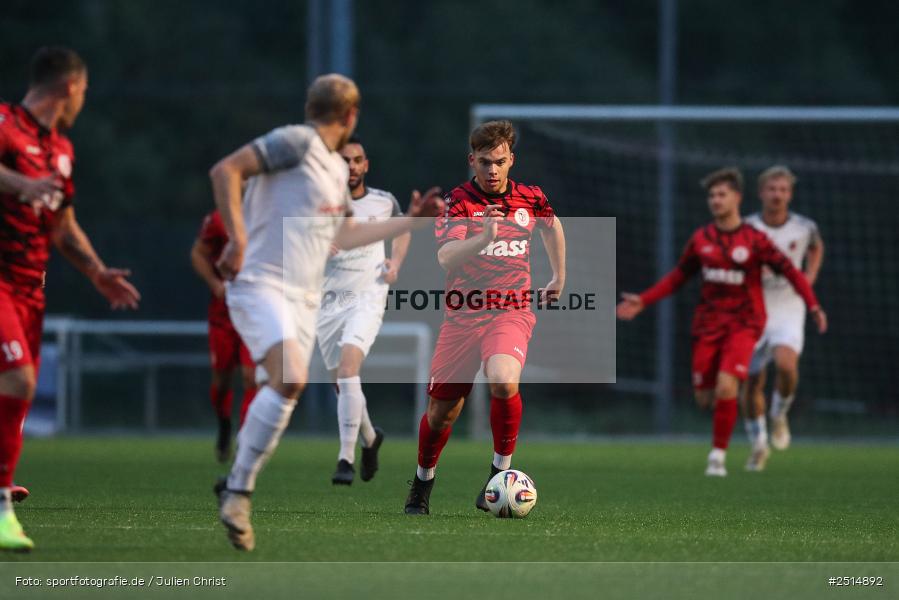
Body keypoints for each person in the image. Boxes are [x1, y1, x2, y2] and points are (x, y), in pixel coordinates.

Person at [210, 73, 442, 551]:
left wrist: (409, 223)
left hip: (304, 296)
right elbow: (225, 171)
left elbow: (350, 236)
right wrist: (236, 236)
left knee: (286, 385)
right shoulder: (296, 142)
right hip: (261, 283)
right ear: (351, 115)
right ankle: (238, 492)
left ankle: (236, 486)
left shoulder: (335, 172)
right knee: (292, 377)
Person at [0, 47, 140, 551]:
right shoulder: (4, 122)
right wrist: (19, 182)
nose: (85, 98)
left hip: (29, 288)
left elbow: (63, 225)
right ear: (70, 88)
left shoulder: (61, 149)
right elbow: (22, 186)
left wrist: (98, 273)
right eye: (84, 90)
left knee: (16, 391)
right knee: (18, 377)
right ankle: (1, 508)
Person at [616, 167, 826, 477]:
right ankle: (752, 437)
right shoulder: (702, 239)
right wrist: (644, 300)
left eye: (722, 194)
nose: (715, 200)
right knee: (705, 397)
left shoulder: (755, 239)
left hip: (746, 323)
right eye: (712, 195)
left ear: (737, 198)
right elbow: (679, 276)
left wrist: (813, 304)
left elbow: (792, 272)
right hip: (708, 324)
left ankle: (718, 457)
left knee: (733, 383)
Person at [404, 120, 566, 515]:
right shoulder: (458, 202)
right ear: (471, 160)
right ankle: (422, 485)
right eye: (484, 162)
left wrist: (559, 275)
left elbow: (552, 224)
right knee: (442, 414)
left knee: (503, 379)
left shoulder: (530, 197)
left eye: (499, 162)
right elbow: (446, 258)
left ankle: (498, 477)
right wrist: (484, 238)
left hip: (510, 311)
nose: (491, 171)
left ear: (511, 159)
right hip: (463, 317)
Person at [318, 136, 409, 485]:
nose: (351, 167)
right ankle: (371, 439)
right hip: (328, 302)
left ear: (366, 165)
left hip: (368, 297)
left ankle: (345, 459)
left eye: (357, 160)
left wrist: (395, 262)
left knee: (347, 367)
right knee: (342, 383)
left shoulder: (384, 202)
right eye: (344, 161)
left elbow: (403, 230)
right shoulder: (320, 203)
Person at [742, 166, 824, 469]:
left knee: (787, 365)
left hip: (788, 303)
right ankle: (758, 443)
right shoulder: (746, 226)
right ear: (761, 192)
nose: (777, 195)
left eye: (783, 190)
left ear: (790, 194)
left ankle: (779, 414)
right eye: (772, 189)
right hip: (752, 306)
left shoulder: (804, 226)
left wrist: (809, 277)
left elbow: (816, 247)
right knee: (752, 382)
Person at [191, 209, 257, 463]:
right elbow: (198, 253)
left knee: (251, 377)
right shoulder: (219, 219)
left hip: (255, 311)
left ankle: (245, 438)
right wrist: (214, 283)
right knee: (222, 381)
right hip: (224, 314)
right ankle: (224, 423)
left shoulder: (269, 212)